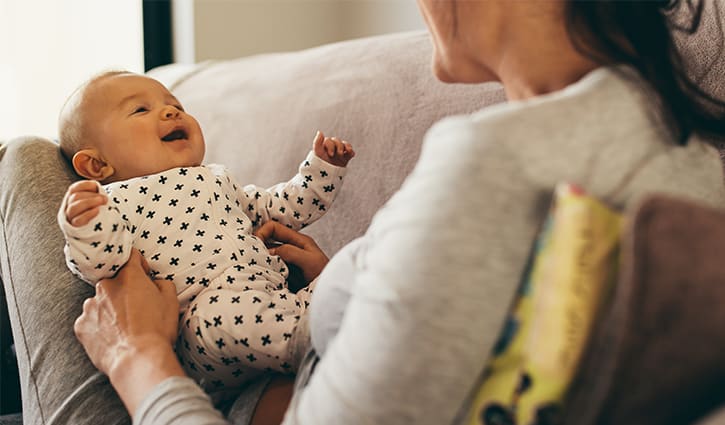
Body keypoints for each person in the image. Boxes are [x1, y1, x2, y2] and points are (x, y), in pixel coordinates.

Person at [73, 0, 725, 424]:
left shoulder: (490, 167)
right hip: (284, 343)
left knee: (21, 173)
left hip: (204, 389)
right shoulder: (684, 151)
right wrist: (358, 279)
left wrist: (140, 357)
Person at [57, 71, 355, 394]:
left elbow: (283, 208)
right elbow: (103, 263)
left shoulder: (218, 179)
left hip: (276, 295)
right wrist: (85, 222)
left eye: (175, 105)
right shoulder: (115, 202)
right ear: (97, 166)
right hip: (202, 324)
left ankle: (330, 325)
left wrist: (322, 169)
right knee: (226, 314)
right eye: (140, 110)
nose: (171, 112)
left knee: (347, 268)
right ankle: (316, 344)